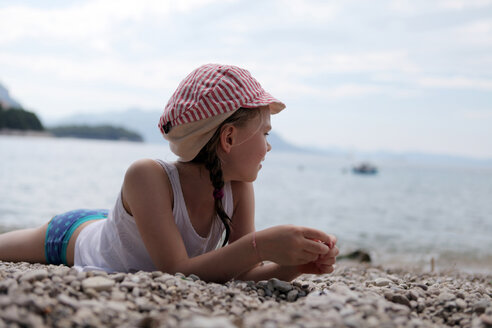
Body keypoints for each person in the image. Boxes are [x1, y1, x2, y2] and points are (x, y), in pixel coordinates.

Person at [0, 64, 339, 283]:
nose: (268, 146)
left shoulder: (238, 188)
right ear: (229, 138)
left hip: (132, 226)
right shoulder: (146, 175)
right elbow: (177, 270)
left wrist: (294, 265)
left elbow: (240, 271)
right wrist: (261, 244)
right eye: (265, 133)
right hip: (73, 234)